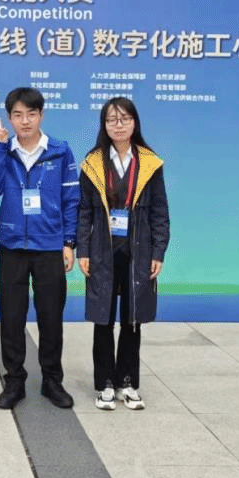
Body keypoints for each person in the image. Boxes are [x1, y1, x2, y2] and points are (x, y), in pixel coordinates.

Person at [0, 87, 79, 409]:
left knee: (51, 317)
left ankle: (52, 381)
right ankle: (14, 381)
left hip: (49, 246)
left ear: (41, 115)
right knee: (11, 318)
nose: (24, 121)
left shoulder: (60, 151)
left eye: (31, 114)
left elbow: (71, 200)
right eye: (17, 115)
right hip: (12, 245)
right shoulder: (5, 150)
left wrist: (69, 242)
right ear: (9, 118)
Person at [77, 96, 169, 411]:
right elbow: (84, 211)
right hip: (102, 250)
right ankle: (105, 383)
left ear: (135, 123)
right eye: (112, 120)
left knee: (132, 319)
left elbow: (160, 212)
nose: (119, 125)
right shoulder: (92, 163)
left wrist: (158, 251)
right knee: (103, 318)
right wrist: (83, 250)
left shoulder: (150, 163)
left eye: (125, 119)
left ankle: (128, 382)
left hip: (138, 251)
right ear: (104, 125)